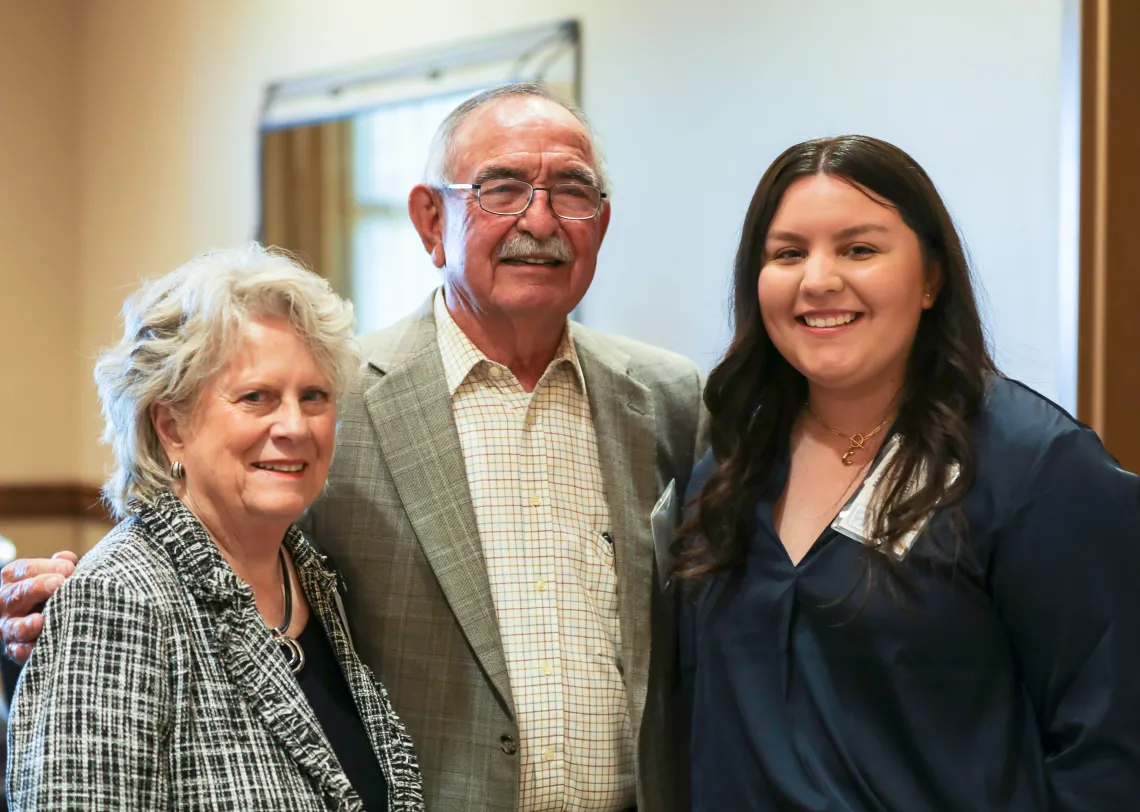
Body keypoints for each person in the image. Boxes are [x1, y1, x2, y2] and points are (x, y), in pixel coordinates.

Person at [2, 84, 707, 812]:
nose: (540, 218)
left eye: (571, 191)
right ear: (431, 221)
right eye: (501, 189)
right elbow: (191, 556)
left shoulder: (668, 400)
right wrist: (68, 603)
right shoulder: (352, 401)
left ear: (602, 220)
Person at [674, 134, 1140, 811]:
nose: (819, 279)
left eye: (859, 249)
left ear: (930, 278)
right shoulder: (728, 471)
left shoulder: (1038, 469)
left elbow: (1112, 749)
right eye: (788, 253)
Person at [5, 246, 424, 810]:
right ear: (171, 425)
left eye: (314, 396)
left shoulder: (316, 580)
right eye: (257, 398)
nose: (295, 426)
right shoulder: (118, 601)